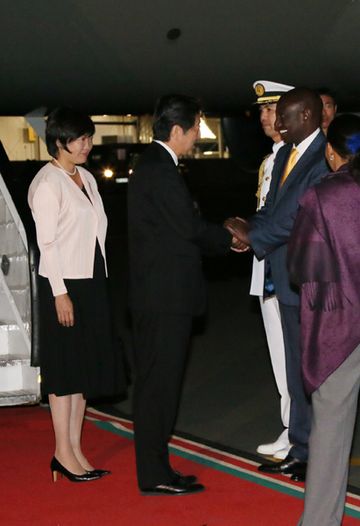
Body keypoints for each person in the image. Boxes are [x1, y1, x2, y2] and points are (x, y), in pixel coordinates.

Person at [127, 94, 235, 495]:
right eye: (193, 130)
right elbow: (189, 228)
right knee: (160, 386)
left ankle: (155, 467)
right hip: (164, 299)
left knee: (157, 383)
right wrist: (231, 239)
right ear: (177, 131)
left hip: (158, 296)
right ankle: (154, 474)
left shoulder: (154, 166)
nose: (195, 137)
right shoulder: (160, 170)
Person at [226, 88, 328, 481]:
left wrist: (253, 237)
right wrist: (247, 230)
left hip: (310, 279)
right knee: (294, 368)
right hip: (285, 276)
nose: (278, 123)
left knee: (311, 370)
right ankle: (300, 447)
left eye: (284, 116)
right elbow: (271, 208)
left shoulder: (323, 158)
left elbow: (294, 217)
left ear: (307, 115)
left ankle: (316, 451)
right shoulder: (285, 153)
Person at [28, 107, 126, 483]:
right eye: (80, 139)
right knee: (66, 368)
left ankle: (74, 449)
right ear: (59, 142)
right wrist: (59, 293)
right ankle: (62, 451)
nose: (88, 145)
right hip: (64, 283)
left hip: (92, 278)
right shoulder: (47, 184)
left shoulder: (85, 176)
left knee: (84, 368)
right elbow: (46, 245)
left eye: (88, 137)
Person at [288, 114, 360, 526]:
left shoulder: (324, 198)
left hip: (341, 327)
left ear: (331, 152)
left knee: (331, 434)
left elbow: (302, 268)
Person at [251, 80, 293, 460]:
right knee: (278, 354)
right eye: (262, 109)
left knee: (293, 354)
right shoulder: (271, 159)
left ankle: (297, 430)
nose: (265, 116)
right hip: (265, 269)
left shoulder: (293, 158)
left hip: (286, 270)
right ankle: (289, 427)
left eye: (272, 109)